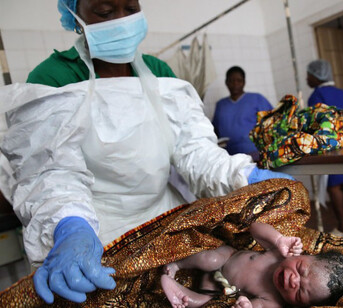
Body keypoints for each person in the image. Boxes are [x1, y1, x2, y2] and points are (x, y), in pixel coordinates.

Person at [0, 0, 295, 304]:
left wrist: (243, 174)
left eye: (130, 9)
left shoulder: (159, 74)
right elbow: (51, 173)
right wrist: (69, 225)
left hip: (164, 214)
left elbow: (195, 151)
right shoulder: (54, 78)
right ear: (76, 17)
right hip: (93, 230)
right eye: (104, 11)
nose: (121, 21)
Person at [161, 222, 343, 308]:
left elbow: (256, 306)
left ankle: (180, 293)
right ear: (306, 255)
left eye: (300, 292)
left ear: (298, 305)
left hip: (219, 289)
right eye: (300, 269)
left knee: (206, 302)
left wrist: (246, 305)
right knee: (208, 259)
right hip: (227, 257)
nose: (293, 281)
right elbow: (255, 229)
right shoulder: (279, 254)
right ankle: (178, 265)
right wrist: (278, 239)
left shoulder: (274, 301)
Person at [306, 59, 343, 239]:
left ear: (316, 76)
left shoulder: (316, 95)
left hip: (329, 145)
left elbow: (314, 123)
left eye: (309, 75)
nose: (307, 79)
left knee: (333, 187)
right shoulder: (340, 92)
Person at [212, 66, 273, 161]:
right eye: (231, 81)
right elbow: (215, 130)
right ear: (226, 83)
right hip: (230, 157)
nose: (235, 84)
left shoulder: (256, 99)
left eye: (239, 80)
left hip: (255, 154)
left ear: (244, 82)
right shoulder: (220, 105)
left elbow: (272, 123)